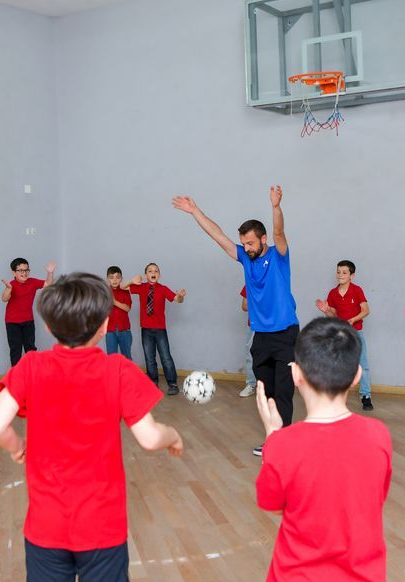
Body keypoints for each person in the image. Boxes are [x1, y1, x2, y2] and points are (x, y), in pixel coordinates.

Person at [0, 272, 183, 582]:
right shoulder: (118, 369)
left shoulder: (31, 365)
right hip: (102, 525)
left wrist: (17, 446)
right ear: (105, 325)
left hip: (46, 526)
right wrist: (173, 435)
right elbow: (149, 438)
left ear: (48, 327)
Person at [255, 317, 391, 582]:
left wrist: (272, 438)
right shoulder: (378, 435)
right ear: (357, 375)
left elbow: (272, 504)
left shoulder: (283, 445)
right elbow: (374, 495)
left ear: (296, 374)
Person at [173, 186, 299, 456]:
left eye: (251, 243)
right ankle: (274, 438)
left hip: (286, 334)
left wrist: (276, 207)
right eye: (244, 243)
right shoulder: (246, 258)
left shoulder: (278, 256)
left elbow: (279, 232)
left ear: (263, 239)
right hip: (261, 336)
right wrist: (195, 211)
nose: (247, 247)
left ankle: (285, 442)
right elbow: (218, 235)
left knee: (283, 391)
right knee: (265, 393)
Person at [315, 259, 373, 410]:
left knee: (363, 365)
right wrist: (327, 310)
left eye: (344, 272)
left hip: (356, 333)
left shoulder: (357, 290)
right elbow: (333, 315)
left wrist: (353, 319)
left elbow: (366, 310)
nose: (340, 275)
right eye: (338, 272)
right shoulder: (333, 293)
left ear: (351, 276)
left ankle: (366, 396)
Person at [125, 263, 186, 394]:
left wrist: (180, 296)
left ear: (159, 275)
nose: (153, 273)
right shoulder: (141, 287)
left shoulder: (163, 289)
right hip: (146, 330)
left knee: (166, 357)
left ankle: (172, 384)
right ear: (146, 275)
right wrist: (131, 280)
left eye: (156, 271)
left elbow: (177, 299)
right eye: (150, 271)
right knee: (149, 357)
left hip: (160, 330)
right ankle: (153, 383)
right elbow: (121, 287)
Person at [1, 258, 56, 366]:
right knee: (16, 350)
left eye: (26, 270)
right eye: (21, 270)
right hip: (12, 323)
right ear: (14, 273)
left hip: (28, 321)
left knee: (30, 348)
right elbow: (4, 298)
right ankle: (16, 374)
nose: (24, 273)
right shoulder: (11, 285)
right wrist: (8, 288)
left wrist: (50, 272)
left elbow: (48, 284)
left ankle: (33, 372)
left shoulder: (32, 282)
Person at [105, 266, 133, 358]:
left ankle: (127, 369)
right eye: (111, 277)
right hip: (110, 331)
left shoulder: (125, 291)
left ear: (121, 279)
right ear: (107, 279)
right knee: (112, 358)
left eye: (117, 277)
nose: (114, 280)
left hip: (124, 330)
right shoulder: (105, 292)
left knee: (126, 357)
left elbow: (127, 308)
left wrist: (115, 302)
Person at [239, 286, 256, 397]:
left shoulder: (272, 282)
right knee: (250, 353)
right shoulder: (249, 284)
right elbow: (244, 306)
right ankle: (251, 384)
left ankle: (268, 386)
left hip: (270, 325)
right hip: (254, 325)